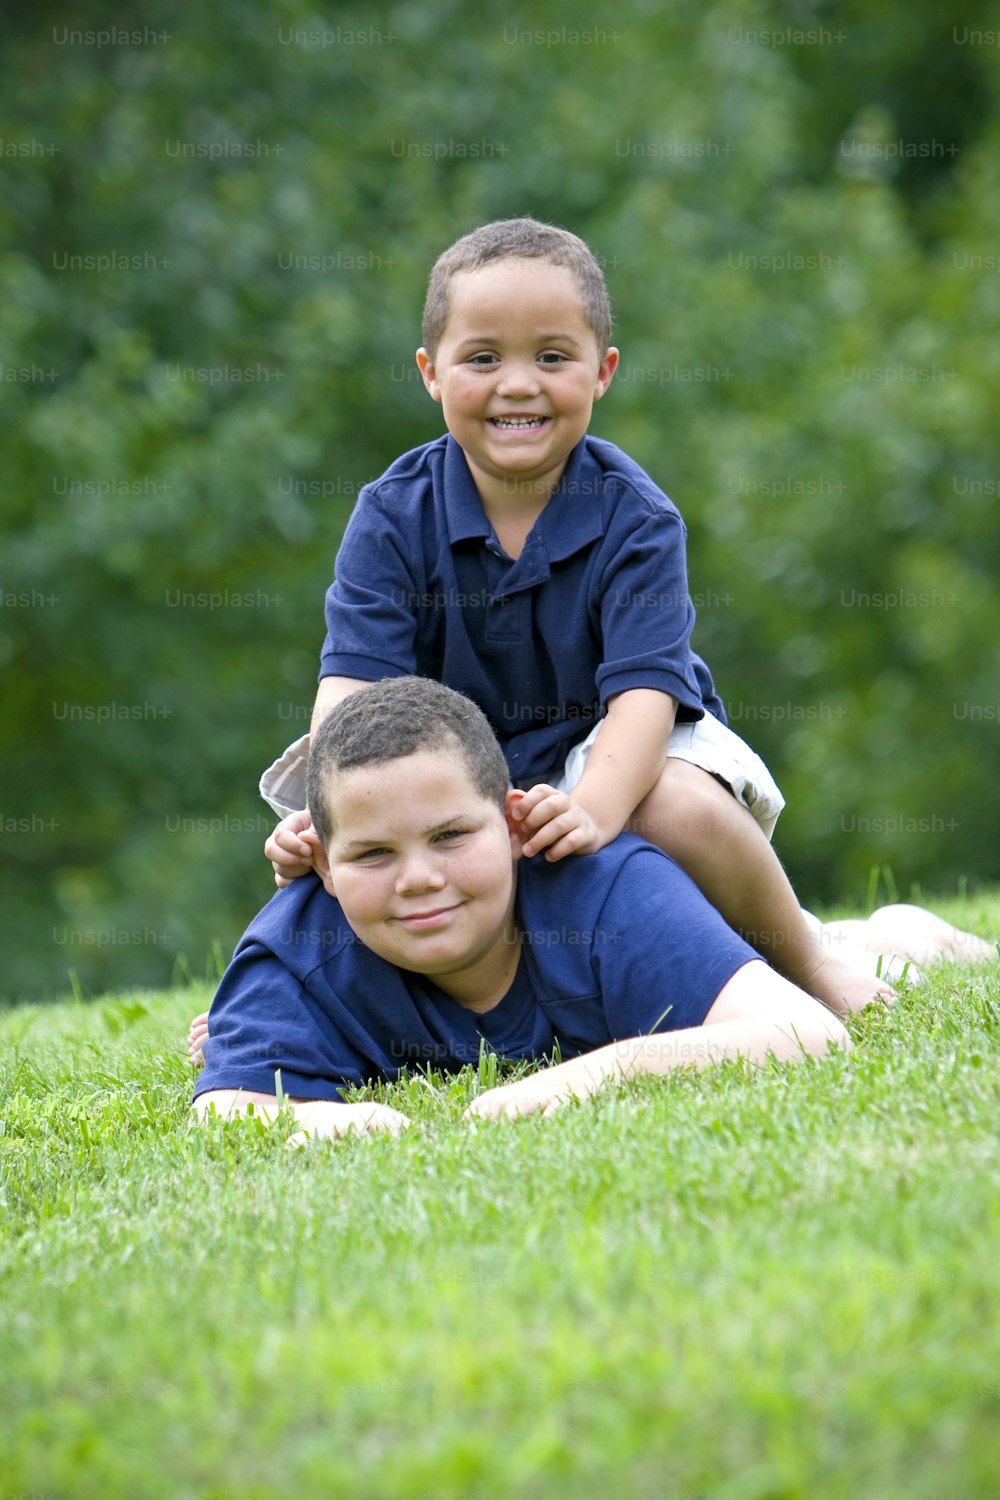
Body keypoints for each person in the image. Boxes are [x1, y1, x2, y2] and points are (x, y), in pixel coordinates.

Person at [256, 217, 940, 1015]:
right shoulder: (391, 516)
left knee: (672, 809)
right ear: (430, 373)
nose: (517, 384)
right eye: (482, 358)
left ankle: (812, 962)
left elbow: (644, 699)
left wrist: (593, 809)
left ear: (602, 370)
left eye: (551, 356)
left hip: (621, 751)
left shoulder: (635, 517)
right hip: (464, 768)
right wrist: (325, 817)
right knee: (353, 852)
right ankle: (272, 1000)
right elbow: (353, 695)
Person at [192, 678, 852, 1139]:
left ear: (513, 826)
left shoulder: (608, 894)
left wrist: (577, 1081)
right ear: (323, 867)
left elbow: (809, 1033)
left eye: (450, 836)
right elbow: (226, 1105)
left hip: (726, 942)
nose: (418, 879)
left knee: (884, 948)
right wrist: (334, 1121)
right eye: (372, 855)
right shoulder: (298, 946)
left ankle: (908, 934)